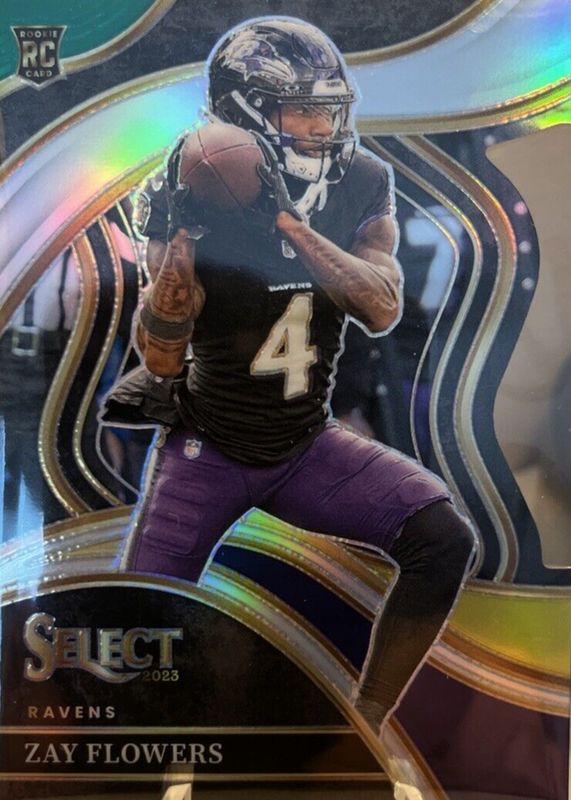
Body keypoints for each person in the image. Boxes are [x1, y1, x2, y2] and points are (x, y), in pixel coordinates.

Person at [106, 17, 476, 740]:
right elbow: (162, 360)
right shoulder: (193, 184)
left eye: (328, 109)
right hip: (207, 446)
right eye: (302, 110)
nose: (322, 127)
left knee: (443, 539)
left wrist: (293, 227)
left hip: (306, 442)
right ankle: (155, 765)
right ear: (245, 114)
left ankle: (363, 725)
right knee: (140, 626)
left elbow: (380, 307)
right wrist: (176, 260)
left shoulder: (363, 180)